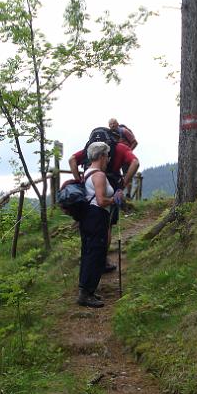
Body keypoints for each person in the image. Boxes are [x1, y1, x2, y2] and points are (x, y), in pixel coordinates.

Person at [68, 133, 140, 273]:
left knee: (89, 225)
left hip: (89, 188)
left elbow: (72, 160)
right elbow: (135, 162)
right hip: (110, 189)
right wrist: (123, 183)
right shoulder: (119, 148)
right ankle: (101, 260)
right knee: (106, 227)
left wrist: (79, 182)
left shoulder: (91, 148)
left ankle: (88, 261)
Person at [76, 142, 124, 308]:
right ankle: (86, 294)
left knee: (88, 252)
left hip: (88, 217)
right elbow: (101, 200)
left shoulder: (88, 172)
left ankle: (86, 290)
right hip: (96, 217)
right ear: (102, 156)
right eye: (107, 155)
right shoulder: (99, 176)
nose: (109, 159)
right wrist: (115, 199)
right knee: (96, 253)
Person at [108, 118, 137, 198]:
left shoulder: (124, 131)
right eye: (110, 124)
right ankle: (115, 193)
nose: (112, 125)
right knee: (115, 174)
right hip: (116, 156)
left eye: (114, 123)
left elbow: (135, 142)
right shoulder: (109, 133)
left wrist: (128, 152)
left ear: (117, 123)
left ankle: (128, 194)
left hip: (125, 156)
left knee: (126, 174)